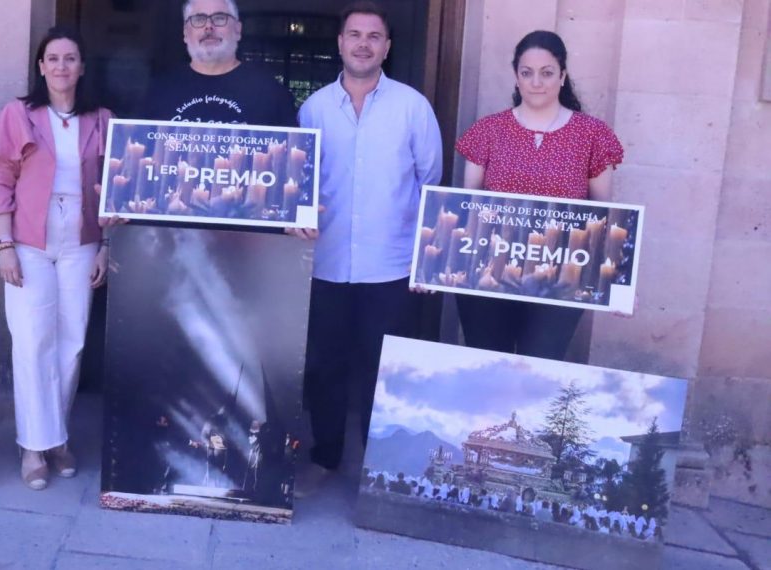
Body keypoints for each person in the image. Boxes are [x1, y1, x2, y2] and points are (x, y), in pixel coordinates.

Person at [293, 1, 442, 497]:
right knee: (323, 367)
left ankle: (379, 473)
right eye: (354, 34)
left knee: (382, 369)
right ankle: (328, 457)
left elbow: (430, 184)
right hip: (326, 263)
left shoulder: (413, 107)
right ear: (339, 43)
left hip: (389, 265)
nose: (363, 43)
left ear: (387, 47)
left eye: (373, 36)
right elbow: (298, 183)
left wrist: (426, 257)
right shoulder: (312, 108)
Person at [0, 27, 113, 490]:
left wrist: (105, 245)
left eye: (70, 58)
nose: (61, 66)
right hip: (29, 242)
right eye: (53, 58)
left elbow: (113, 187)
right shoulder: (19, 113)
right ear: (41, 66)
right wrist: (4, 245)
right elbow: (1, 178)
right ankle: (33, 447)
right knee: (32, 340)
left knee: (72, 340)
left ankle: (56, 437)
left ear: (81, 67)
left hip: (80, 238)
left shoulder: (100, 118)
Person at [455, 30, 624, 359]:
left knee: (540, 371)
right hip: (489, 274)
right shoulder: (488, 130)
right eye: (527, 73)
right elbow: (468, 207)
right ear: (516, 76)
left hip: (559, 280)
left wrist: (615, 280)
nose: (536, 82)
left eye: (547, 73)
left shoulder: (592, 135)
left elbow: (604, 215)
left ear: (562, 75)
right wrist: (437, 266)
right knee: (486, 364)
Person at [144, 0, 296, 126]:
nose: (209, 26)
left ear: (238, 30)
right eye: (199, 19)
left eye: (219, 18)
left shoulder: (271, 93)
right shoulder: (159, 91)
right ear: (185, 33)